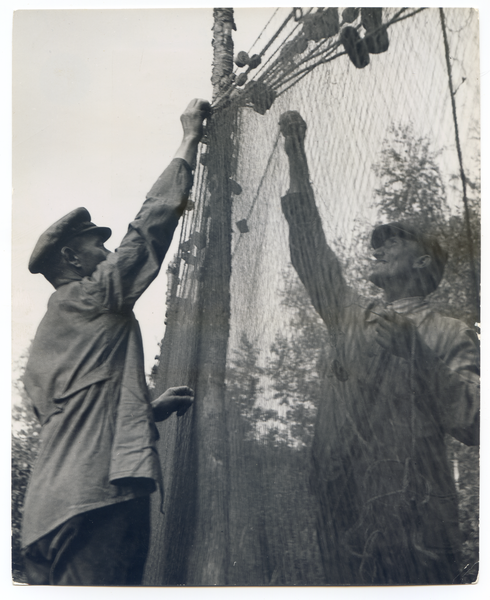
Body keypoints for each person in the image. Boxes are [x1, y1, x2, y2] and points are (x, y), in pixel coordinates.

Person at [278, 110, 479, 585]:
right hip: (343, 517)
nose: (379, 246)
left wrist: (417, 353)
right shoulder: (350, 316)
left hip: (417, 526)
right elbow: (312, 252)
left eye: (394, 240)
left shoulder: (450, 332)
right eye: (378, 241)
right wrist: (296, 155)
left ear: (424, 260)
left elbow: (475, 421)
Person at [21, 98, 211, 586]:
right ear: (74, 258)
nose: (108, 255)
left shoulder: (50, 335)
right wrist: (188, 139)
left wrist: (150, 409)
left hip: (46, 514)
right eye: (97, 248)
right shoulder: (91, 296)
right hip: (99, 499)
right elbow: (146, 232)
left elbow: (81, 418)